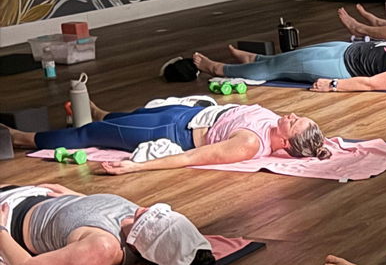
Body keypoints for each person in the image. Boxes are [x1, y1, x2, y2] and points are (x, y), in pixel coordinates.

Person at [3, 100, 330, 175]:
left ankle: (21, 138)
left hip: (172, 131)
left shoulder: (249, 144)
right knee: (130, 115)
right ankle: (105, 114)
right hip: (186, 114)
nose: (291, 115)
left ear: (285, 144)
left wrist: (135, 167)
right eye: (297, 116)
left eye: (294, 123)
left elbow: (190, 158)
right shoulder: (274, 123)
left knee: (90, 134)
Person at [0, 184, 214, 265]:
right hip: (28, 194)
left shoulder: (103, 248)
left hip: (10, 218)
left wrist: (0, 230)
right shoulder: (135, 217)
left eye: (151, 218)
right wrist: (74, 196)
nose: (147, 209)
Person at [191, 36, 386, 92]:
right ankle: (254, 59)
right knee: (289, 57)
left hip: (343, 68)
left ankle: (218, 69)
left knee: (277, 70)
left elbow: (370, 84)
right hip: (348, 49)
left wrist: (333, 85)